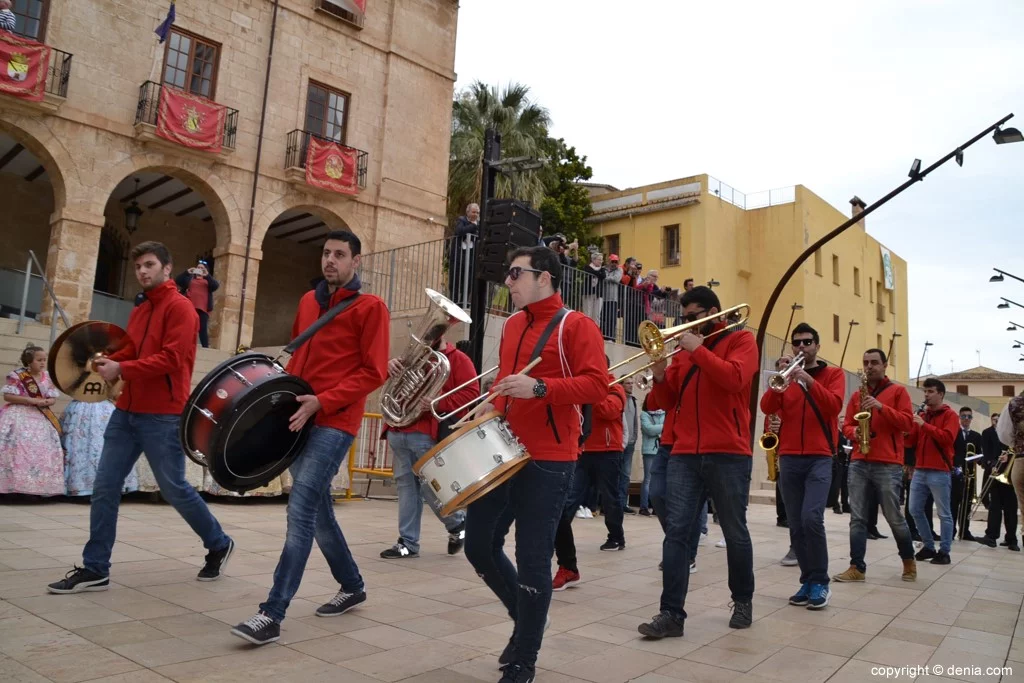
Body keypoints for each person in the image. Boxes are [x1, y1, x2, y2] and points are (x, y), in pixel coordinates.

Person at [47, 241, 234, 594]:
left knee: (175, 489)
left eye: (149, 265)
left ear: (167, 268)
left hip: (162, 414)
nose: (142, 272)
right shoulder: (140, 311)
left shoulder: (182, 309)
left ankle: (219, 543)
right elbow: (128, 354)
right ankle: (95, 567)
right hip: (126, 411)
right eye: (138, 267)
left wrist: (124, 367)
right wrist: (108, 368)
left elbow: (172, 359)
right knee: (104, 487)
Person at [231, 230, 389, 645]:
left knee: (300, 509)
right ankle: (352, 584)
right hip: (299, 416)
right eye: (326, 253)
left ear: (356, 261)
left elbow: (373, 372)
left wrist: (325, 401)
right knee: (318, 511)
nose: (330, 260)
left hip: (336, 422)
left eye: (340, 254)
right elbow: (300, 358)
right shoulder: (308, 302)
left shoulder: (371, 308)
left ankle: (272, 613)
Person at [463, 245, 606, 683]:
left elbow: (597, 386)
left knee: (532, 556)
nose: (507, 281)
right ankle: (526, 622)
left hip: (550, 459)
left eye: (515, 274)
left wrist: (540, 389)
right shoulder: (509, 326)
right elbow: (508, 384)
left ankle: (524, 656)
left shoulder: (577, 326)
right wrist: (489, 406)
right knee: (478, 544)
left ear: (543, 278)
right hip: (502, 449)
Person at [638, 286, 759, 639]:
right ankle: (671, 614)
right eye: (685, 318)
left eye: (694, 318)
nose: (687, 324)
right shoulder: (684, 352)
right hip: (685, 452)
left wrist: (699, 350)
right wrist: (660, 372)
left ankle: (743, 599)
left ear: (715, 314)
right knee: (676, 533)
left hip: (729, 452)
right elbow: (664, 400)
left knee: (735, 532)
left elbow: (734, 379)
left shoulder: (741, 342)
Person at [759, 323, 845, 610]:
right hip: (790, 457)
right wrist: (782, 375)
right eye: (797, 343)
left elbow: (833, 406)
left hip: (820, 456)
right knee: (795, 524)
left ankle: (821, 581)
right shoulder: (787, 378)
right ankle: (807, 580)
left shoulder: (833, 374)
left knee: (811, 518)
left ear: (817, 346)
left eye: (808, 342)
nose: (801, 347)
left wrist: (808, 379)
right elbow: (766, 406)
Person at [380, 335, 476, 559]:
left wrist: (438, 401)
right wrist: (387, 367)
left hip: (426, 433)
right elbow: (384, 381)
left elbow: (471, 394)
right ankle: (408, 542)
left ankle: (457, 523)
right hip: (398, 429)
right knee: (407, 488)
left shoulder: (458, 359)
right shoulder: (411, 357)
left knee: (430, 488)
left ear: (442, 333)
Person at [833, 349, 917, 583]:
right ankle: (856, 566)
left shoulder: (898, 391)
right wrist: (855, 432)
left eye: (874, 363)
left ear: (884, 365)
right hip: (860, 460)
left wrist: (881, 407)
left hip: (888, 463)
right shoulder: (857, 395)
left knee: (893, 516)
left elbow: (908, 423)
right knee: (857, 517)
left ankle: (908, 561)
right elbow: (847, 425)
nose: (869, 367)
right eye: (865, 363)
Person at [553, 361, 626, 591]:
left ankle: (616, 536)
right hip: (584, 450)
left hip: (608, 451)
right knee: (570, 500)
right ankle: (562, 551)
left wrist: (592, 390)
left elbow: (609, 411)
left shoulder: (615, 386)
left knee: (610, 497)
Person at [0, 345, 64, 496]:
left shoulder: (47, 377)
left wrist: (49, 402)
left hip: (41, 417)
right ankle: (12, 486)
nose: (42, 363)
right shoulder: (16, 376)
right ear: (29, 361)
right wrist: (30, 400)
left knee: (42, 450)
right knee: (18, 448)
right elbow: (8, 396)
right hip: (19, 415)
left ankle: (36, 487)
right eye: (39, 360)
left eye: (44, 360)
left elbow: (52, 397)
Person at [907, 379, 958, 564]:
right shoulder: (923, 415)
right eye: (925, 391)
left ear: (941, 394)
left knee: (944, 513)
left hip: (939, 470)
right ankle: (928, 546)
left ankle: (944, 551)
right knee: (914, 509)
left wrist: (923, 425)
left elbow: (947, 438)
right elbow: (911, 441)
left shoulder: (950, 415)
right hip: (920, 469)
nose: (926, 395)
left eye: (930, 391)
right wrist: (909, 428)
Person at [62, 396, 138, 497]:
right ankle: (82, 487)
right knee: (79, 445)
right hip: (83, 406)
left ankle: (105, 486)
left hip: (102, 407)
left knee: (103, 445)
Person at [978, 412, 1018, 550]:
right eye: (995, 420)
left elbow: (1017, 450)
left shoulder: (1012, 433)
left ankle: (1012, 539)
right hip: (995, 472)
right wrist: (992, 463)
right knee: (995, 506)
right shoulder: (988, 432)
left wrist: (1009, 457)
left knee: (1011, 507)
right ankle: (991, 537)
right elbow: (987, 452)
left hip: (1010, 474)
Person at [952, 406, 984, 540]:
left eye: (969, 416)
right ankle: (951, 531)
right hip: (955, 473)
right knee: (952, 504)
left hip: (969, 475)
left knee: (967, 504)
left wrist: (979, 458)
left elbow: (980, 454)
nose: (966, 419)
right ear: (959, 418)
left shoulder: (977, 436)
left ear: (971, 419)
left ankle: (965, 531)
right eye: (964, 416)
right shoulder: (954, 433)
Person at [174, 260, 219, 348]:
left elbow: (215, 286)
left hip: (203, 308)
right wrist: (187, 272)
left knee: (202, 329)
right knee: (188, 327)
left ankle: (205, 347)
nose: (199, 269)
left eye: (202, 268)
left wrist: (207, 275)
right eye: (198, 267)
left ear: (205, 270)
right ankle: (184, 344)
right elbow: (178, 280)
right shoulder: (190, 278)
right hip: (190, 306)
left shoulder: (208, 281)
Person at [448, 203, 480, 307]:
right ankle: (454, 302)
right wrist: (473, 226)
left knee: (469, 280)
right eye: (473, 212)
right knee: (456, 279)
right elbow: (459, 231)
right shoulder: (462, 220)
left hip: (471, 257)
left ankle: (463, 303)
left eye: (477, 212)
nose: (476, 214)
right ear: (468, 212)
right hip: (459, 256)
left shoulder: (479, 224)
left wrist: (475, 226)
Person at [639, 394, 664, 516]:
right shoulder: (644, 414)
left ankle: (656, 507)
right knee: (648, 479)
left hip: (661, 449)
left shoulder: (664, 413)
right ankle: (644, 506)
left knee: (658, 479)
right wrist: (662, 428)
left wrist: (657, 428)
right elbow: (649, 429)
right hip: (649, 450)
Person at [620, 375, 639, 514]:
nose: (631, 386)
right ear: (621, 385)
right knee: (616, 475)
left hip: (631, 443)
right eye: (628, 383)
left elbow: (634, 422)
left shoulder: (633, 400)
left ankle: (622, 503)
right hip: (620, 443)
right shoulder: (619, 398)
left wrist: (635, 437)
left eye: (632, 383)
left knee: (626, 475)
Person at [601, 254, 623, 341]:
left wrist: (606, 277)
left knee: (611, 318)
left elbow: (616, 279)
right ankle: (603, 335)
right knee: (603, 318)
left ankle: (611, 337)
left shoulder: (619, 269)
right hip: (603, 298)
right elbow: (602, 278)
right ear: (609, 261)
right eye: (612, 261)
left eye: (616, 262)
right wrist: (609, 278)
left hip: (613, 299)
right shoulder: (603, 268)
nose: (614, 263)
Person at [581, 251, 606, 326]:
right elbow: (588, 271)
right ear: (593, 260)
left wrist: (595, 273)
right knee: (587, 313)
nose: (601, 261)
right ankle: (587, 330)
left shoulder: (602, 269)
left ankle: (595, 332)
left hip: (598, 294)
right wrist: (598, 273)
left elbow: (603, 276)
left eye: (602, 260)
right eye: (599, 259)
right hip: (588, 293)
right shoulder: (587, 267)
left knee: (597, 315)